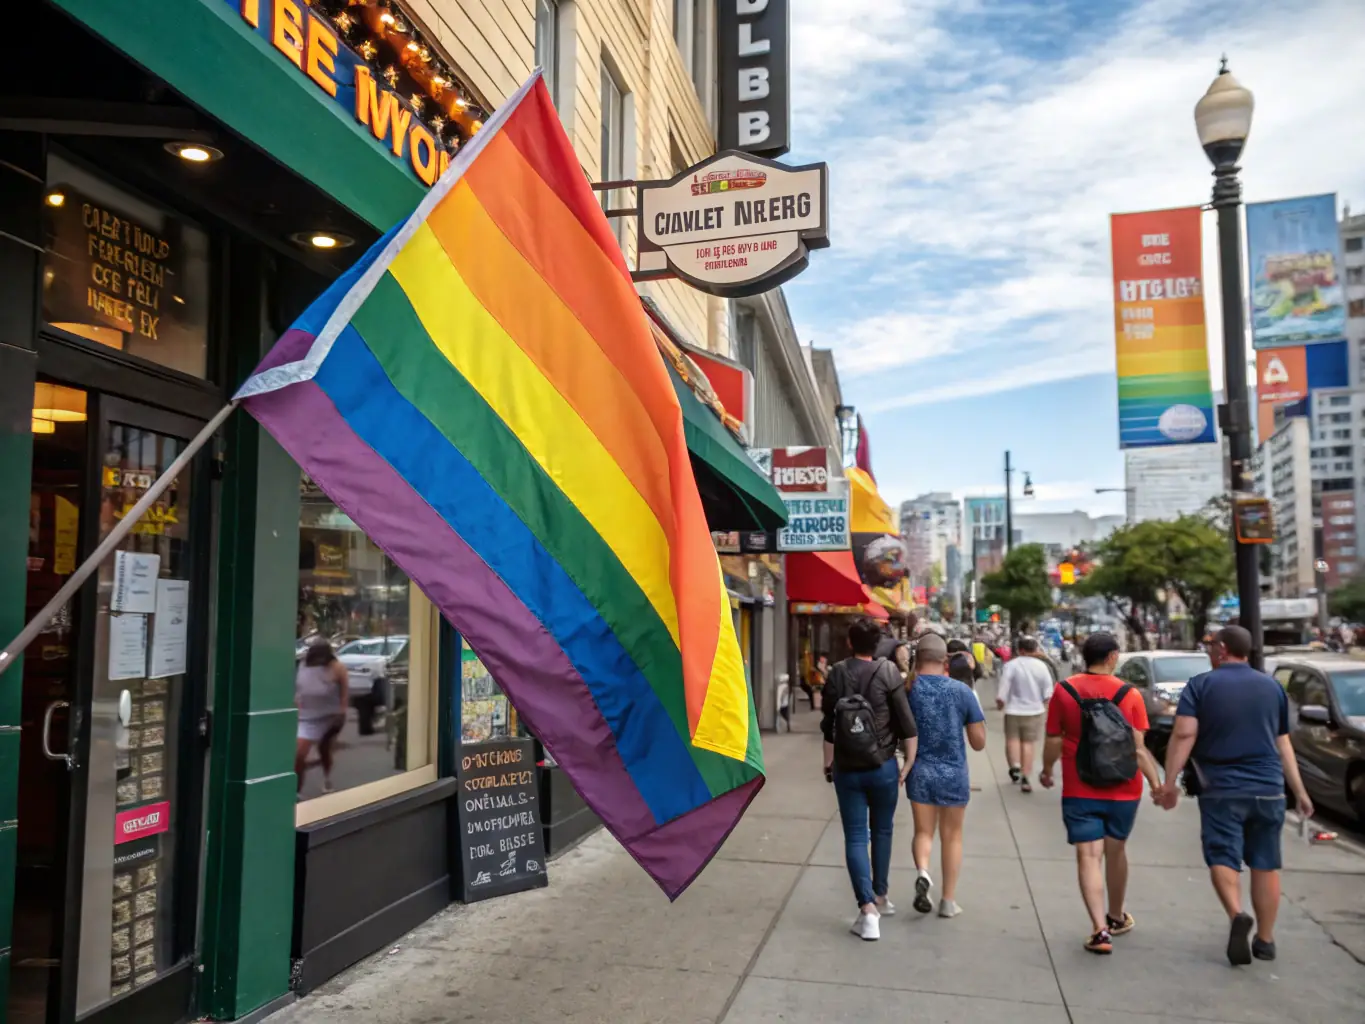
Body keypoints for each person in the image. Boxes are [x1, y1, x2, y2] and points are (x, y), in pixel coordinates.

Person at [1156, 625, 1314, 966]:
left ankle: (1237, 913)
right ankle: (1267, 940)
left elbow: (1184, 734)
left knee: (1222, 856)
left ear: (1223, 649)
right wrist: (1299, 791)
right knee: (1266, 863)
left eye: (1211, 644)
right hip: (1269, 789)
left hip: (1221, 789)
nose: (1209, 649)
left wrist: (1168, 783)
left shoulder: (1201, 685)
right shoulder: (1272, 687)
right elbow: (1282, 742)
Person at [1040, 632, 1161, 954]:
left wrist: (1046, 769)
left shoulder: (1063, 691)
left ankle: (1099, 930)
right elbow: (1138, 749)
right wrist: (1157, 785)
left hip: (1080, 786)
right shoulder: (1130, 694)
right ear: (1112, 657)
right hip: (1124, 788)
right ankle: (1117, 916)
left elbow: (1053, 739)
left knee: (1088, 855)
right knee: (1116, 850)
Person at [821, 617, 919, 941]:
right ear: (877, 644)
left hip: (848, 768)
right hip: (883, 766)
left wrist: (828, 765)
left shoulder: (836, 673)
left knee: (854, 835)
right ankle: (880, 895)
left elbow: (828, 727)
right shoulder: (889, 672)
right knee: (883, 829)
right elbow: (907, 724)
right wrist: (908, 763)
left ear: (849, 642)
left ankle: (867, 909)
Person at [905, 633, 987, 919]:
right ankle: (948, 901)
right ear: (945, 660)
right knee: (952, 837)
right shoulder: (961, 691)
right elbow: (978, 742)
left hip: (920, 771)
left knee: (923, 832)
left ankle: (923, 873)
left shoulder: (909, 690)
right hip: (953, 773)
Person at [995, 635, 1054, 792]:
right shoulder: (1042, 667)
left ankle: (1015, 766)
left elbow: (1003, 689)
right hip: (1035, 711)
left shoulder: (1011, 665)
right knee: (1028, 743)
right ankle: (1026, 776)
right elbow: (1048, 693)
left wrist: (1000, 703)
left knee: (1012, 739)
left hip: (1013, 710)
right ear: (1035, 649)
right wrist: (1045, 708)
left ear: (1020, 650)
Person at [296, 641, 350, 796]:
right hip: (307, 717)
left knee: (324, 749)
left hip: (330, 716)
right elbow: (299, 691)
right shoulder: (303, 666)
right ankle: (296, 791)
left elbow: (344, 693)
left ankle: (327, 777)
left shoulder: (337, 668)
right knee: (299, 754)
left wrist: (342, 712)